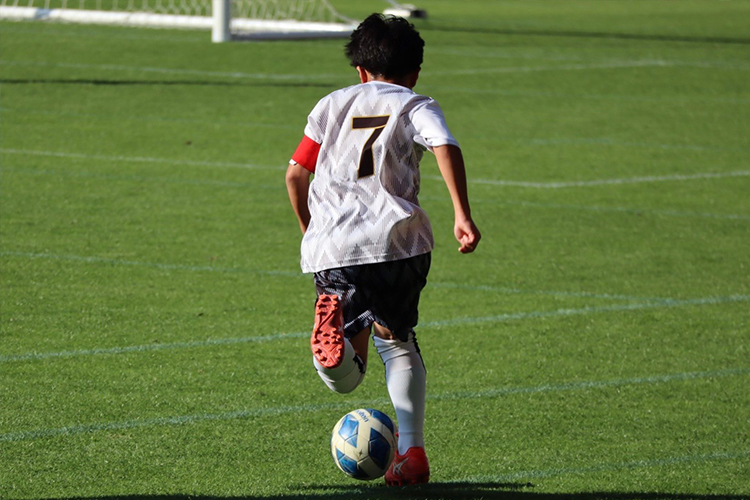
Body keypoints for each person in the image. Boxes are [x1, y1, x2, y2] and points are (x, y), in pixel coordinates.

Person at [285, 13, 481, 486]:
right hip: (401, 243)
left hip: (337, 245)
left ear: (359, 70)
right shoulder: (415, 104)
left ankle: (333, 356)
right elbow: (444, 145)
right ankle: (412, 453)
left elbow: (295, 174)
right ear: (415, 72)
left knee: (348, 378)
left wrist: (312, 230)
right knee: (397, 341)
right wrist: (462, 214)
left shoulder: (330, 105)